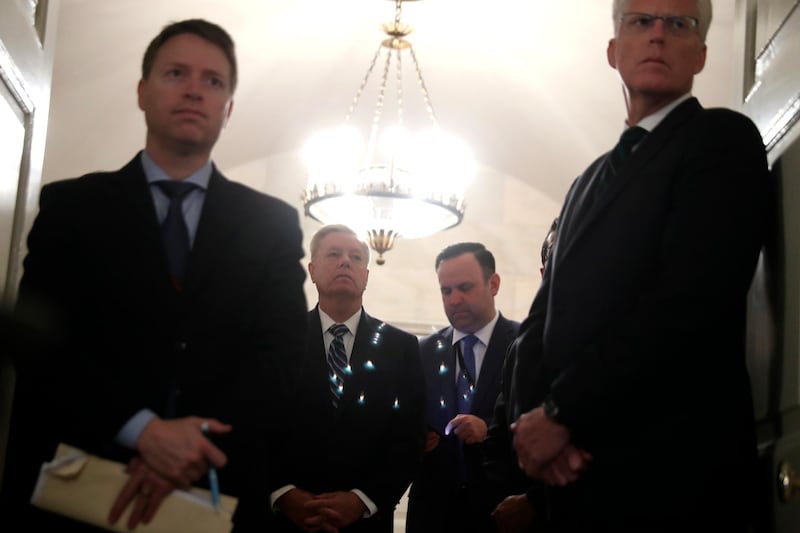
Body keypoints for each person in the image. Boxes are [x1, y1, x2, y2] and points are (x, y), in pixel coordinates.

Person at [0, 18, 308, 532]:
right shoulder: (70, 206)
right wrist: (141, 431)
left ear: (228, 108)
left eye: (213, 81)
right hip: (78, 488)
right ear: (143, 92)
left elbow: (279, 361)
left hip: (213, 496)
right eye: (175, 73)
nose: (194, 89)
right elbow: (39, 343)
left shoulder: (271, 225)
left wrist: (189, 449)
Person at [508, 0, 771, 530]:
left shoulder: (721, 140)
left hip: (674, 476)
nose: (657, 35)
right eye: (640, 21)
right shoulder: (587, 180)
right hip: (575, 483)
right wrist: (533, 425)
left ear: (699, 54)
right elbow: (540, 320)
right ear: (613, 50)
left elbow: (688, 303)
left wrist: (562, 415)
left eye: (678, 24)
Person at [269, 224, 426, 533]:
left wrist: (362, 499)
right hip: (285, 521)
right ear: (312, 270)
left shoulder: (401, 347)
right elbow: (255, 424)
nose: (345, 262)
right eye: (334, 254)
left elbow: (410, 437)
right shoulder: (277, 341)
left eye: (355, 256)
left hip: (365, 523)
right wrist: (283, 494)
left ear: (366, 275)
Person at [406, 242, 520, 533]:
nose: (454, 300)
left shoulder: (526, 343)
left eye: (465, 287)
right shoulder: (422, 352)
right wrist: (416, 439)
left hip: (500, 512)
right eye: (446, 291)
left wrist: (490, 431)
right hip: (432, 515)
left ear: (493, 284)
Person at [483, 218, 561, 533]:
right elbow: (500, 435)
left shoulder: (624, 341)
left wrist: (535, 503)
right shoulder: (521, 347)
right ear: (544, 274)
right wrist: (506, 499)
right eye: (561, 254)